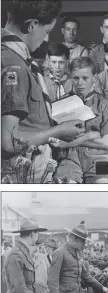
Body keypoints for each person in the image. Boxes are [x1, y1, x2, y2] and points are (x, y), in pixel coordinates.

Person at [1, 0, 85, 183]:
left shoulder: (10, 57)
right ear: (32, 25)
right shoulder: (14, 67)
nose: (46, 39)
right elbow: (7, 142)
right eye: (46, 32)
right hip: (21, 176)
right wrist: (57, 131)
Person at [53, 57, 108, 184]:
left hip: (98, 158)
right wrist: (92, 135)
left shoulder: (104, 104)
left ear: (94, 78)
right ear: (71, 78)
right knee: (65, 188)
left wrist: (73, 141)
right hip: (69, 157)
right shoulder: (61, 103)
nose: (80, 83)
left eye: (85, 78)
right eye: (76, 78)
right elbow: (57, 141)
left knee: (102, 187)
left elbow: (105, 143)